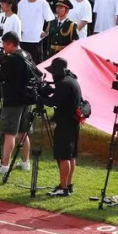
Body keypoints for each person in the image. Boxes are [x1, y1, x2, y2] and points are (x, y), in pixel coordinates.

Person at [0, 32, 35, 174]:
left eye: (4, 44)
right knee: (23, 132)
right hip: (26, 99)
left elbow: (2, 77)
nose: (3, 47)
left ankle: (4, 165)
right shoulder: (27, 54)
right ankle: (25, 162)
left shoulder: (12, 59)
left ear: (10, 44)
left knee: (9, 133)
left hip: (13, 101)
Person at [41, 58, 82, 197]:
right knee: (70, 155)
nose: (52, 75)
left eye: (53, 72)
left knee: (63, 156)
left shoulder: (64, 84)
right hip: (73, 122)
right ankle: (68, 185)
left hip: (65, 123)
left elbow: (54, 101)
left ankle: (63, 188)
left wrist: (39, 98)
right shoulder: (72, 79)